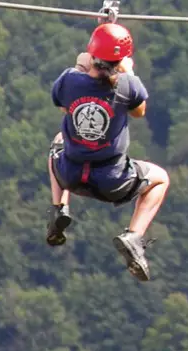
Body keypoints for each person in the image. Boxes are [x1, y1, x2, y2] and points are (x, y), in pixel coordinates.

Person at [45, 17, 170, 281]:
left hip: (71, 174)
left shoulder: (69, 81)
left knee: (57, 141)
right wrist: (130, 72)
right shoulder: (127, 86)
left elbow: (63, 106)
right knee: (160, 179)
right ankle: (134, 237)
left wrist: (80, 66)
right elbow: (139, 111)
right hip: (112, 181)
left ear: (92, 53)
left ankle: (59, 207)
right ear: (121, 61)